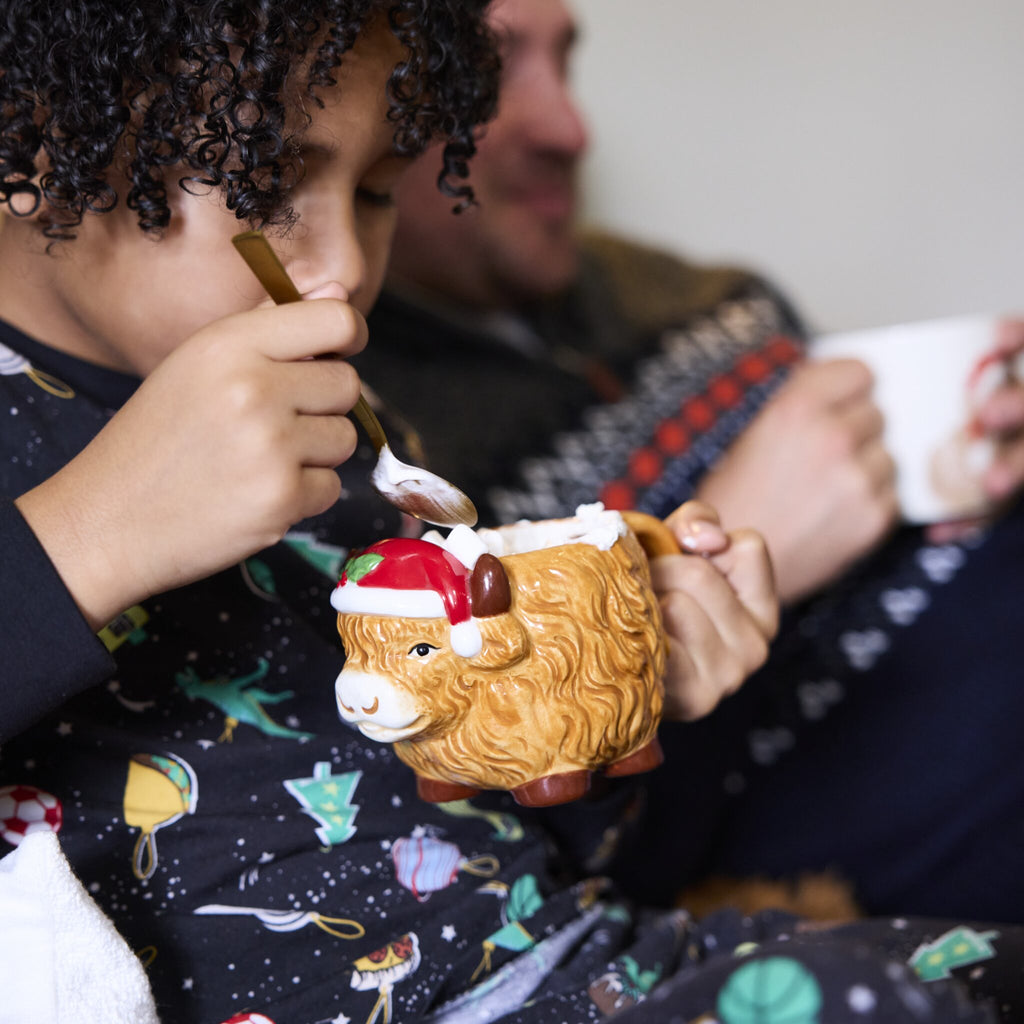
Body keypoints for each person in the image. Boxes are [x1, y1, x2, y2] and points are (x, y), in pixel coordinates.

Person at [356, 0, 1024, 926]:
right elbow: (523, 866)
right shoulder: (369, 439)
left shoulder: (694, 291)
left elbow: (896, 505)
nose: (568, 128)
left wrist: (977, 448)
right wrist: (740, 544)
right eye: (491, 73)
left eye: (565, 62)